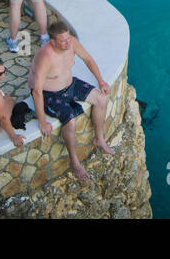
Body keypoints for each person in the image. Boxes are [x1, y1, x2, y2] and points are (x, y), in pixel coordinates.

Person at [29, 21, 114, 182]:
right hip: (49, 93)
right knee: (70, 120)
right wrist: (42, 121)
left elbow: (88, 59)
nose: (68, 43)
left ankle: (99, 138)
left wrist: (101, 81)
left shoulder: (72, 43)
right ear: (52, 41)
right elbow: (36, 91)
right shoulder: (45, 56)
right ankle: (74, 162)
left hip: (70, 84)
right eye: (63, 41)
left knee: (101, 99)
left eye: (69, 38)